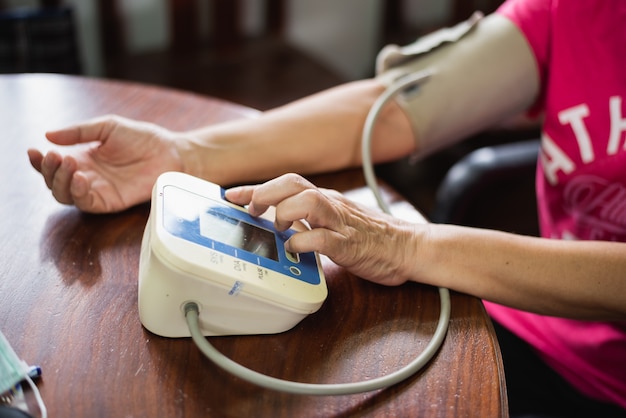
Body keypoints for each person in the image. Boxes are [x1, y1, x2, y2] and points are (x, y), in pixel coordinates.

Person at [27, 0, 626, 416]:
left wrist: (406, 245)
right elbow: (400, 107)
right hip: (542, 333)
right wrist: (187, 153)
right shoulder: (577, 13)